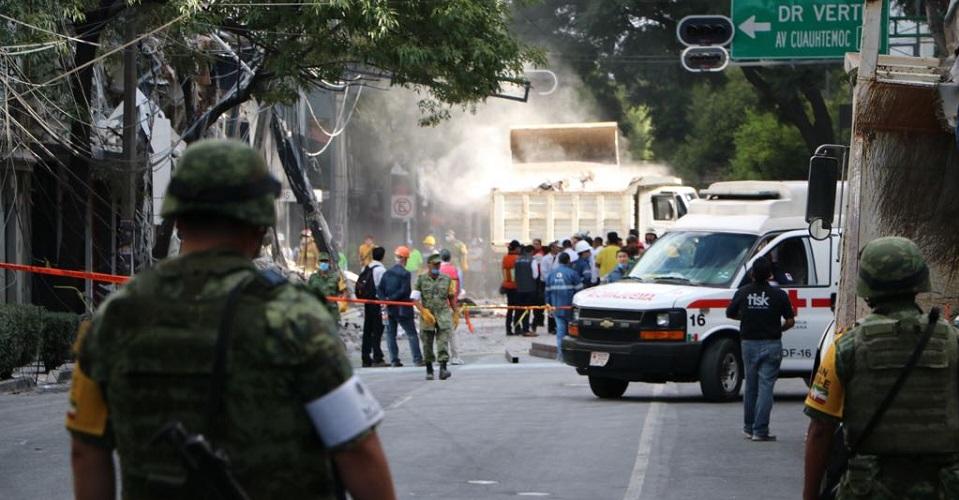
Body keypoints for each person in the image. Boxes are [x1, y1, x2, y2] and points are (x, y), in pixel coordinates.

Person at [65, 139, 396, 500]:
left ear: (177, 221)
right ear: (259, 226)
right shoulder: (294, 318)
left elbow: (86, 450)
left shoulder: (116, 316)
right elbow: (358, 449)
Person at [802, 236, 959, 500]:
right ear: (920, 281)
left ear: (866, 285)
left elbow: (820, 430)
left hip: (870, 489)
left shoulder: (846, 345)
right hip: (942, 488)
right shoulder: (953, 341)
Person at [725, 256, 795, 441]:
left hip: (748, 343)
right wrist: (778, 328)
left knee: (751, 386)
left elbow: (730, 313)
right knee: (766, 387)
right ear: (770, 275)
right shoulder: (779, 295)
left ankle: (748, 427)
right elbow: (790, 321)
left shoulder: (743, 292)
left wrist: (747, 317)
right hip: (772, 343)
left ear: (752, 274)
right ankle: (760, 430)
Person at [378, 246, 424, 367]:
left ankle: (394, 361)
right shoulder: (405, 274)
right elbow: (404, 291)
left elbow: (379, 289)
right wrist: (391, 300)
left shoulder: (387, 273)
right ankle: (417, 359)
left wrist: (385, 300)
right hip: (402, 309)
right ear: (405, 259)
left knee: (390, 335)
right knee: (412, 334)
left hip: (389, 310)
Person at [414, 254, 456, 380]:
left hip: (443, 314)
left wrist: (456, 312)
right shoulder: (421, 279)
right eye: (435, 264)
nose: (437, 266)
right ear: (429, 265)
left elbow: (451, 297)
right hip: (428, 316)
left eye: (439, 264)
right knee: (427, 343)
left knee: (443, 342)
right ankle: (429, 370)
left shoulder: (447, 279)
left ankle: (443, 369)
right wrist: (423, 311)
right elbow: (414, 299)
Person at [546, 253, 582, 362]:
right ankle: (572, 356)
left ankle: (561, 356)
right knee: (573, 334)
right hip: (571, 309)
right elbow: (579, 292)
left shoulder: (551, 274)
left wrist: (549, 306)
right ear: (568, 261)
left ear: (558, 261)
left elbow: (547, 293)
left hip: (557, 308)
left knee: (560, 333)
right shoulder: (573, 273)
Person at [359, 246, 388, 367]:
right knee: (377, 330)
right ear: (382, 257)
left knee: (367, 329)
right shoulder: (381, 270)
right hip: (377, 302)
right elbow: (383, 288)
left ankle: (365, 358)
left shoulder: (365, 268)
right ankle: (377, 357)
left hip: (367, 302)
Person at [439, 249, 465, 365]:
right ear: (450, 258)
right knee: (452, 332)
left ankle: (442, 357)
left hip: (439, 305)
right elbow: (459, 288)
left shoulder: (437, 270)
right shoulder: (455, 270)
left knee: (440, 332)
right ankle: (455, 357)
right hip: (452, 304)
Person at [307, 251, 347, 326]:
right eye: (322, 261)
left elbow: (344, 292)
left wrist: (342, 304)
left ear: (329, 263)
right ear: (318, 263)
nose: (323, 263)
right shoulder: (313, 277)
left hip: (332, 312)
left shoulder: (336, 277)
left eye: (325, 261)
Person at [514, 245, 539, 337]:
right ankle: (526, 329)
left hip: (519, 288)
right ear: (532, 251)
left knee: (519, 309)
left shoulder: (517, 260)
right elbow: (535, 275)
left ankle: (516, 328)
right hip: (530, 288)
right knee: (527, 309)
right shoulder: (533, 260)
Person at [539, 241, 561, 334]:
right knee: (550, 305)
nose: (558, 249)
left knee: (558, 305)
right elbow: (544, 273)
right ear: (552, 248)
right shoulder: (545, 258)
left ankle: (557, 326)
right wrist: (551, 280)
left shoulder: (560, 257)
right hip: (548, 284)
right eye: (556, 247)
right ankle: (551, 327)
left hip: (559, 284)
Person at [501, 240, 520, 336]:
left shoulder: (505, 258)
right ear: (516, 248)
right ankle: (517, 328)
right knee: (517, 308)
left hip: (507, 286)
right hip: (516, 286)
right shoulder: (517, 258)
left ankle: (508, 329)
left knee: (510, 308)